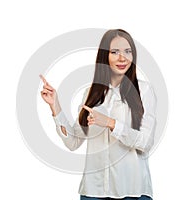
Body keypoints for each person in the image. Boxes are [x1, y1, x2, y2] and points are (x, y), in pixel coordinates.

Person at [39, 29, 157, 200]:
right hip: (93, 192)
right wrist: (54, 105)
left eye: (127, 51)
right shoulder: (90, 93)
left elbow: (145, 143)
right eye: (115, 52)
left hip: (132, 191)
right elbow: (73, 142)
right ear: (104, 56)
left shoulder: (144, 91)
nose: (122, 58)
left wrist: (110, 123)